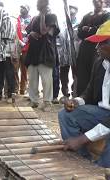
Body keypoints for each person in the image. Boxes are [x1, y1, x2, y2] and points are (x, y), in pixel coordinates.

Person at [59, 20, 110, 168]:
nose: (97, 47)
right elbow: (89, 91)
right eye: (97, 43)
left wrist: (82, 139)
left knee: (104, 166)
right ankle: (82, 161)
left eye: (102, 43)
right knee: (65, 115)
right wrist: (77, 101)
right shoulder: (99, 62)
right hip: (102, 112)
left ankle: (102, 169)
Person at [25, 0, 59, 111]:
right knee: (33, 78)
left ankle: (47, 102)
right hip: (33, 52)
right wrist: (31, 33)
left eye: (40, 3)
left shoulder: (52, 17)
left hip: (46, 53)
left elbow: (44, 32)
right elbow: (28, 31)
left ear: (45, 4)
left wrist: (43, 15)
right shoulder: (34, 18)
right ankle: (34, 100)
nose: (37, 4)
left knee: (46, 79)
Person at [76, 0, 110, 96]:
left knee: (96, 73)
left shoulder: (107, 15)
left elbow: (103, 31)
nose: (97, 2)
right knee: (82, 73)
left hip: (99, 49)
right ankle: (81, 98)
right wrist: (91, 30)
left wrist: (90, 29)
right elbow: (79, 32)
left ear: (104, 2)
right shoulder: (86, 16)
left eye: (99, 0)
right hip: (84, 48)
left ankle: (94, 99)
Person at [16, 5, 31, 95]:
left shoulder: (32, 19)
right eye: (20, 8)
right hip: (17, 48)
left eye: (24, 8)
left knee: (25, 69)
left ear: (28, 10)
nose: (21, 10)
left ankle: (23, 88)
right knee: (15, 69)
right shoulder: (16, 19)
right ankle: (15, 89)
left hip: (27, 47)